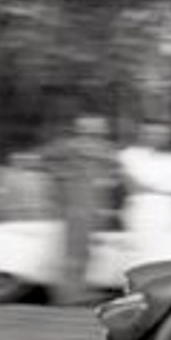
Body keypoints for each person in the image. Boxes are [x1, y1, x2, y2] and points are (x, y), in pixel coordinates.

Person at [43, 115, 118, 304]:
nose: (96, 131)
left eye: (100, 128)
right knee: (73, 252)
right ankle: (66, 295)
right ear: (80, 128)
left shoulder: (107, 150)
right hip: (76, 206)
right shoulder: (69, 145)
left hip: (98, 207)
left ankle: (79, 291)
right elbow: (45, 158)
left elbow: (114, 172)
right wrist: (64, 175)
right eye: (91, 127)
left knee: (88, 252)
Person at [118, 120, 171, 236]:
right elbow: (134, 185)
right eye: (152, 133)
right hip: (142, 210)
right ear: (142, 134)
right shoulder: (128, 155)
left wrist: (153, 188)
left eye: (163, 134)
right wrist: (170, 186)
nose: (157, 137)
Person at [0, 150, 56, 222]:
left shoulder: (43, 176)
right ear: (13, 159)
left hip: (39, 220)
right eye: (23, 159)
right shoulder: (0, 174)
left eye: (32, 159)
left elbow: (50, 199)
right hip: (12, 219)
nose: (31, 161)